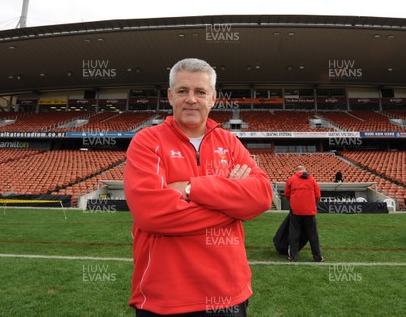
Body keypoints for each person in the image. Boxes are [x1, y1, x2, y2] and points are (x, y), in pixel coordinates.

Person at [124, 58, 272, 315]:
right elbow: (152, 215)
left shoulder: (230, 142)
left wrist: (191, 189)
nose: (191, 99)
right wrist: (231, 205)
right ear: (170, 96)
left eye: (200, 92)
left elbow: (261, 197)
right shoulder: (146, 141)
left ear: (212, 98)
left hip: (229, 296)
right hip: (165, 299)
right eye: (183, 91)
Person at [284, 165, 323, 262]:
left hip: (296, 210)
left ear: (296, 171)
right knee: (313, 234)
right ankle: (317, 257)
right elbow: (318, 195)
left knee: (294, 233)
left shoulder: (291, 179)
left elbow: (286, 194)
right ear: (305, 170)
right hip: (309, 210)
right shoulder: (312, 180)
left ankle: (293, 256)